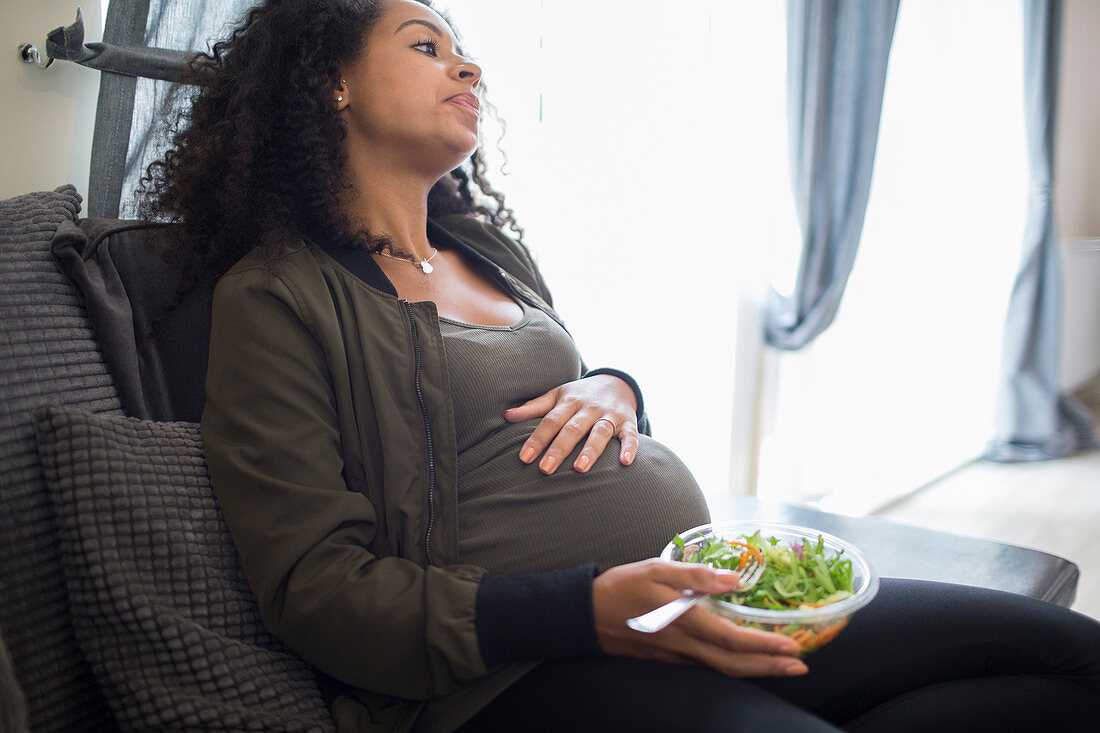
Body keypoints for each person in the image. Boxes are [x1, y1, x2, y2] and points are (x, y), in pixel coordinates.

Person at [142, 0, 1100, 730]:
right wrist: (584, 610)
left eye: (462, 46)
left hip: (679, 601)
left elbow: (552, 399)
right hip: (515, 676)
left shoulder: (485, 250)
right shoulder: (278, 298)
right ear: (331, 84)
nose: (467, 61)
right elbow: (315, 587)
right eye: (426, 45)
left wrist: (621, 387)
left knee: (1063, 660)